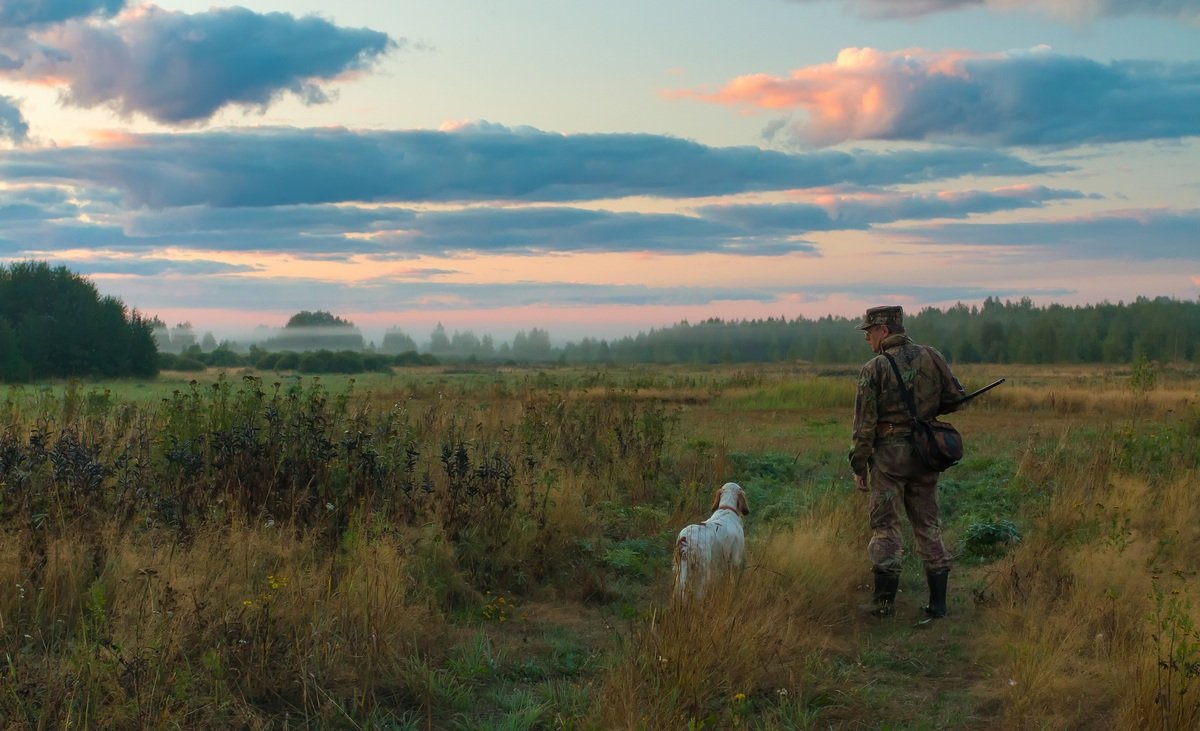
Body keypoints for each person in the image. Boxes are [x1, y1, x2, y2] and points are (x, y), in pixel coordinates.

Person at [849, 305, 965, 620]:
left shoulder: (874, 368)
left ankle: (883, 604)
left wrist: (859, 466)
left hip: (889, 458)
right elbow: (955, 398)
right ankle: (938, 605)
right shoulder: (932, 356)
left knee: (885, 526)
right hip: (926, 454)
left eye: (869, 331)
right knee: (928, 525)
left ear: (884, 330)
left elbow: (863, 426)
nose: (867, 338)